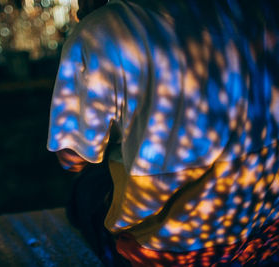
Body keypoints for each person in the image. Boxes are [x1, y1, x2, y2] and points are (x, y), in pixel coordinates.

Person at [47, 0, 279, 266]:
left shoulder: (102, 29)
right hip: (264, 235)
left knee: (86, 187)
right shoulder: (263, 10)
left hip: (172, 251)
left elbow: (72, 159)